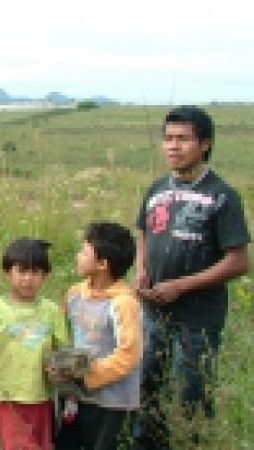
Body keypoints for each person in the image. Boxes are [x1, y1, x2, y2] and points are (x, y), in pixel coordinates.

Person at [133, 105, 250, 449]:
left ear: (205, 144)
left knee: (191, 393)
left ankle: (191, 442)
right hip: (153, 310)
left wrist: (181, 286)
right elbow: (143, 233)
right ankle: (147, 443)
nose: (173, 146)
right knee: (147, 384)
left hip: (197, 318)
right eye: (168, 139)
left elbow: (239, 261)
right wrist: (142, 273)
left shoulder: (222, 196)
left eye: (183, 139)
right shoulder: (156, 189)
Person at [0, 238, 69, 450]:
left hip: (42, 398)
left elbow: (64, 356)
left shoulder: (51, 311)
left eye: (35, 272)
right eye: (21, 271)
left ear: (45, 276)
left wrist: (71, 395)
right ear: (7, 273)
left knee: (42, 445)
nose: (28, 279)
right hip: (8, 399)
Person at [52, 222, 142, 450]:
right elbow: (62, 337)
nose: (78, 256)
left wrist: (86, 374)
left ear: (102, 264)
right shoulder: (74, 294)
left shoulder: (123, 304)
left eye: (84, 252)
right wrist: (58, 366)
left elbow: (129, 355)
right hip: (76, 396)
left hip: (112, 403)